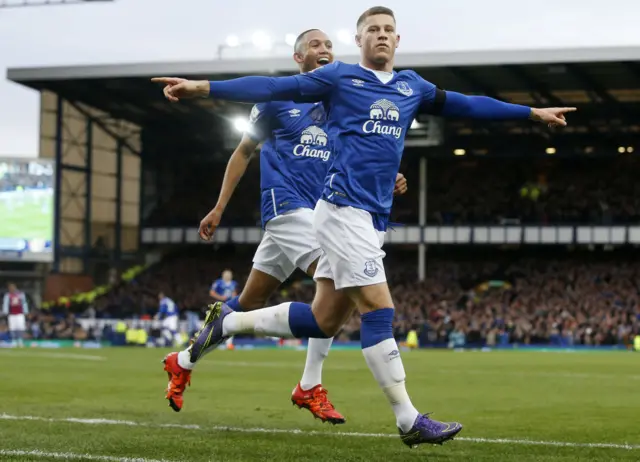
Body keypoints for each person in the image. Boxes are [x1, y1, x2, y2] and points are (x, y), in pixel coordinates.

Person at [153, 6, 575, 447]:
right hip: (339, 212)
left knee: (324, 319)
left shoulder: (413, 86)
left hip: (371, 217)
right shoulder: (338, 79)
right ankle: (408, 420)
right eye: (372, 29)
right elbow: (274, 86)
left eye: (388, 30)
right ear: (360, 40)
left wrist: (529, 113)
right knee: (378, 309)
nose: (381, 35)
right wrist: (203, 87)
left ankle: (229, 326)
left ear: (398, 39)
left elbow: (467, 105)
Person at [160, 28, 408, 422]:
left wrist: (389, 175)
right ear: (299, 58)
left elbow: (357, 156)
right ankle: (310, 385)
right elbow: (243, 152)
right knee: (340, 281)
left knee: (247, 303)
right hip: (286, 208)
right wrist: (219, 207)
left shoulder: (337, 104)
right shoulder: (278, 100)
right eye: (315, 45)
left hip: (321, 212)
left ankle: (184, 360)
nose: (324, 50)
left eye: (329, 45)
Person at [209, 269, 238, 349]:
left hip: (229, 306)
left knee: (231, 324)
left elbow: (234, 293)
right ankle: (206, 341)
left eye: (229, 275)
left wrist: (234, 300)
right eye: (226, 275)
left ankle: (229, 344)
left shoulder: (233, 283)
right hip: (219, 305)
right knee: (215, 324)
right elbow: (212, 292)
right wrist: (220, 297)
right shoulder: (218, 282)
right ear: (223, 275)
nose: (228, 276)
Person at [2, 282, 28, 348]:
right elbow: (5, 304)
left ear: (15, 287)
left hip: (20, 314)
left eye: (12, 287)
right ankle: (13, 340)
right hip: (12, 314)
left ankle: (20, 340)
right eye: (10, 288)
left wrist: (25, 311)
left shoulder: (20, 294)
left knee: (21, 327)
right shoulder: (8, 295)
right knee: (12, 328)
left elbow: (24, 303)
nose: (11, 288)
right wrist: (5, 312)